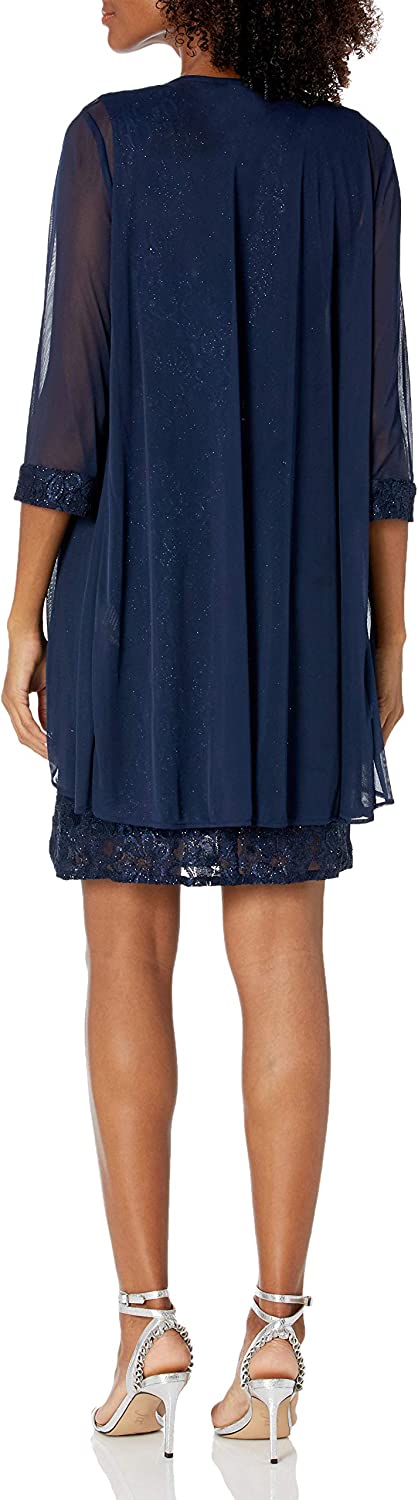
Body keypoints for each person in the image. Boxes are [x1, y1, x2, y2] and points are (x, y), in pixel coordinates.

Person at [2, 0, 415, 1464]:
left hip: (133, 606)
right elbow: (384, 432)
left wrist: (21, 612)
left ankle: (146, 1328)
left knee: (124, 950)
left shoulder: (111, 142)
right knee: (284, 956)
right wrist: (389, 631)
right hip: (294, 616)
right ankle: (280, 1338)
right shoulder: (354, 158)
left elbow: (69, 413)